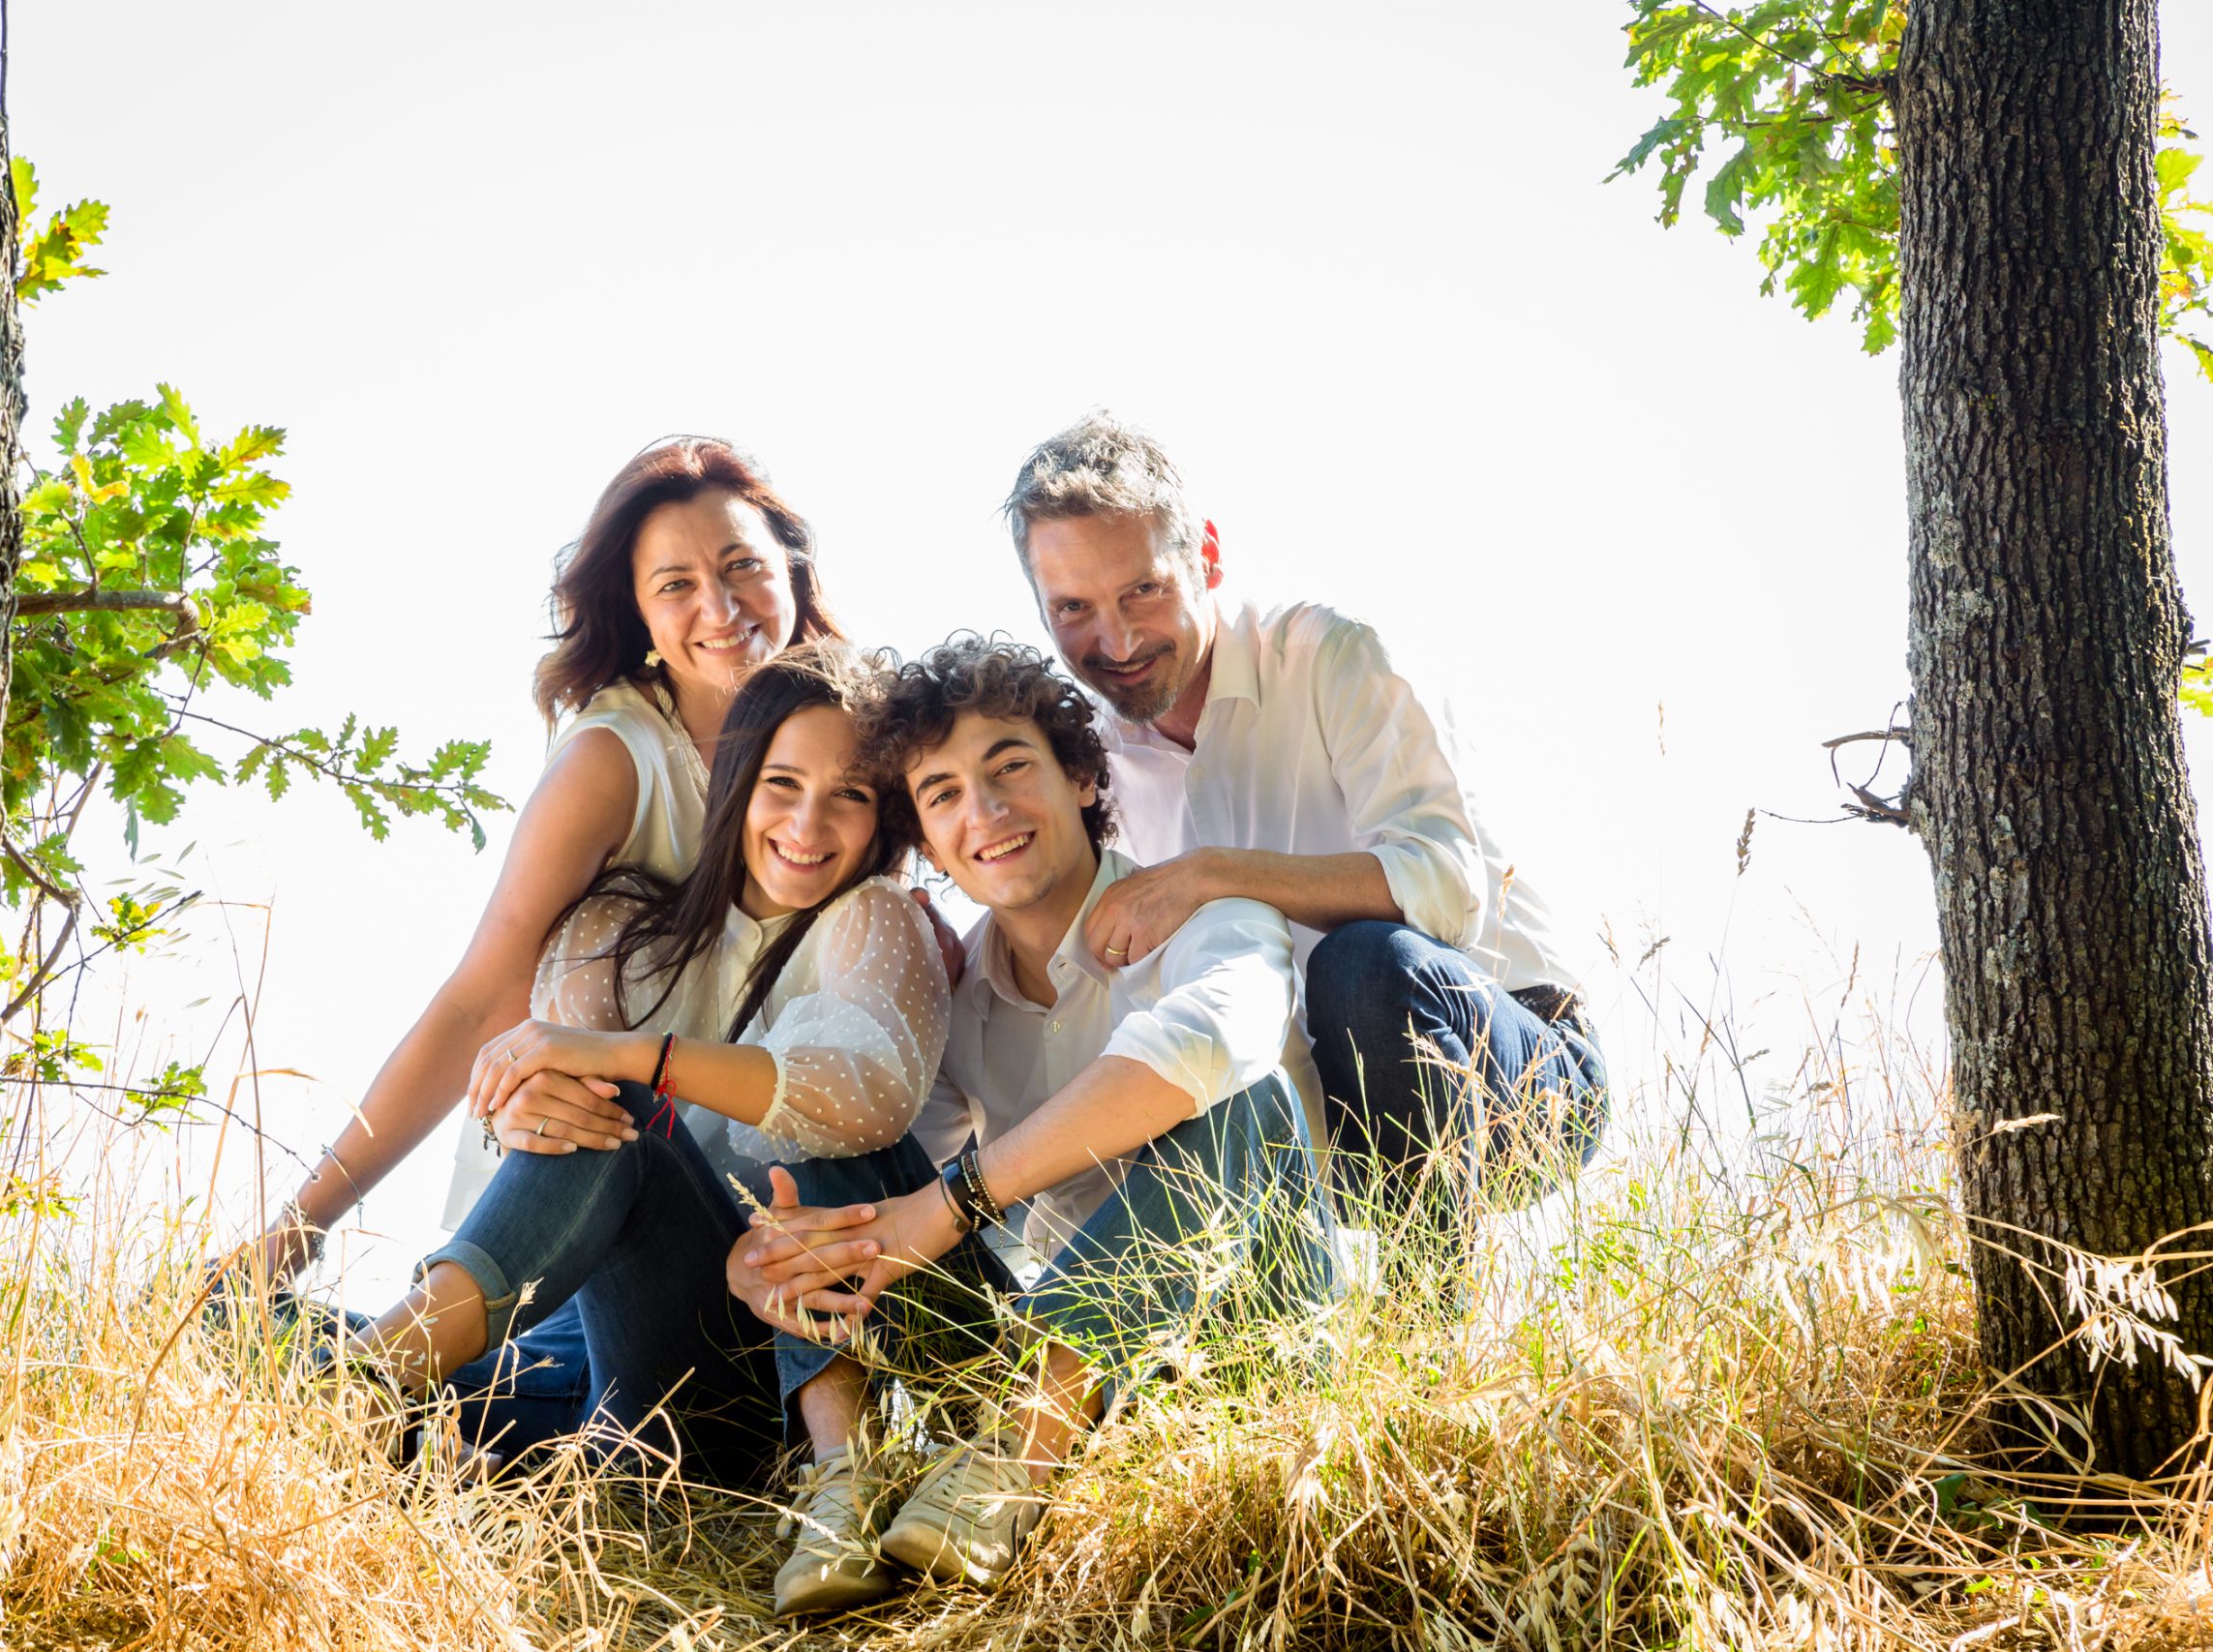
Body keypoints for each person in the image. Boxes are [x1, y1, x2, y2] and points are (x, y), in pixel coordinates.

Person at [235, 436, 845, 1454]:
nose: (719, 604)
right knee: (225, 1328)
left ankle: (364, 1395)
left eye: (743, 564)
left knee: (624, 1102)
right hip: (582, 1280)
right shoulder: (617, 758)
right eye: (675, 584)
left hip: (741, 1285)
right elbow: (482, 999)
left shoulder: (853, 745)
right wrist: (298, 1229)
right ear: (637, 613)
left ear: (793, 569)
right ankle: (365, 1401)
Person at [726, 639, 1333, 1613]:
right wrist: (770, 1254)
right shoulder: (958, 995)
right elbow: (884, 1185)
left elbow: (1207, 1047)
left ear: (1083, 777)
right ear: (927, 842)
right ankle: (843, 1481)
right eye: (943, 794)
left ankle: (1023, 1459)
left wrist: (952, 1203)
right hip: (1037, 1368)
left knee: (1241, 1096)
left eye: (1010, 768)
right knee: (848, 1129)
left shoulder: (1205, 916)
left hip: (1239, 1346)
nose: (986, 812)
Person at [333, 644, 952, 1484]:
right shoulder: (618, 928)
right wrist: (529, 1106)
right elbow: (567, 1110)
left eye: (850, 796)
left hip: (720, 1372)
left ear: (884, 818)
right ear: (734, 782)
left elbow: (864, 1093)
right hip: (559, 1346)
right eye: (782, 783)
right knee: (247, 1322)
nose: (808, 826)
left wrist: (635, 1057)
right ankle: (395, 1410)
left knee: (622, 1106)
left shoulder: (877, 920)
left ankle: (364, 1389)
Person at [996, 410, 1606, 1261]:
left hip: (1514, 1069)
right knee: (1177, 1068)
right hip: (1311, 1096)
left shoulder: (1329, 657)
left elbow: (1444, 888)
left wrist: (1212, 873)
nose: (1119, 639)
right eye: (1073, 607)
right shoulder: (1086, 761)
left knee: (1364, 962)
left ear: (1207, 556)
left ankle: (1428, 1318)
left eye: (1143, 590)